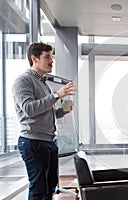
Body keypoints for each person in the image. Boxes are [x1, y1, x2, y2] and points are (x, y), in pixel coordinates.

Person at [12, 42, 76, 200]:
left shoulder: (43, 83)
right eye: (47, 57)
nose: (51, 60)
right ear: (34, 59)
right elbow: (29, 109)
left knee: (50, 187)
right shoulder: (23, 81)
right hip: (33, 143)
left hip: (48, 141)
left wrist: (62, 112)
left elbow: (45, 112)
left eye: (52, 56)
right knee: (39, 189)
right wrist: (56, 96)